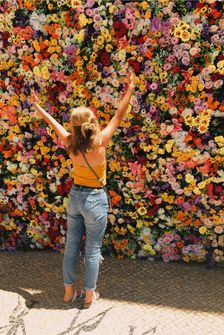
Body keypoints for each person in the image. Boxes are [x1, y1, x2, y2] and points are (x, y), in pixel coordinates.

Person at [29, 70, 135, 308]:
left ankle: (69, 293)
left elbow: (51, 122)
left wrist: (37, 106)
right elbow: (119, 113)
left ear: (74, 127)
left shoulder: (69, 142)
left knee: (71, 247)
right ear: (93, 122)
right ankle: (88, 296)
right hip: (95, 200)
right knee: (92, 249)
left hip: (75, 197)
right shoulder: (101, 141)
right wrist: (129, 89)